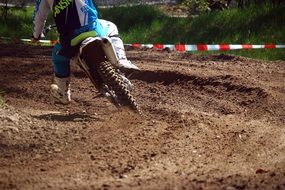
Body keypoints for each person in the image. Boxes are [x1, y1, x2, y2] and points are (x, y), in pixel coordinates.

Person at [32, 0, 139, 104]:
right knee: (111, 27)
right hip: (93, 27)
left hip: (69, 38)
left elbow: (39, 17)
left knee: (58, 57)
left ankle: (62, 93)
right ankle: (120, 59)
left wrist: (36, 35)